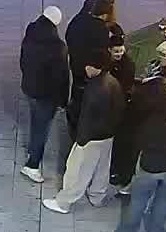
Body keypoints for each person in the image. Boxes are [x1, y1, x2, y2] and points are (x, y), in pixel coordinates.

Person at [114, 79, 166, 232]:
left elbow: (138, 143)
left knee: (138, 201)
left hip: (148, 166)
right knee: (164, 201)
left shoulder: (145, 118)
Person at [43, 49, 122, 213]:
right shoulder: (112, 82)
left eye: (88, 66)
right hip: (108, 134)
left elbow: (86, 117)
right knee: (102, 167)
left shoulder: (94, 89)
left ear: (95, 67)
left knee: (77, 170)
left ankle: (64, 202)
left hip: (91, 137)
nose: (85, 69)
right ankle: (97, 196)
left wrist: (81, 140)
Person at [19, 7, 69, 182]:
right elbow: (62, 77)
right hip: (46, 96)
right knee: (42, 128)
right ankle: (32, 165)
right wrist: (63, 100)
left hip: (29, 89)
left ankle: (33, 148)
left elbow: (22, 60)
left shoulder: (31, 32)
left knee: (35, 121)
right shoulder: (58, 47)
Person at [105, 26, 142, 194]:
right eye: (116, 51)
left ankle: (114, 169)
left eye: (121, 51)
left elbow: (124, 87)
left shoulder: (128, 65)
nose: (119, 54)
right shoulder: (106, 61)